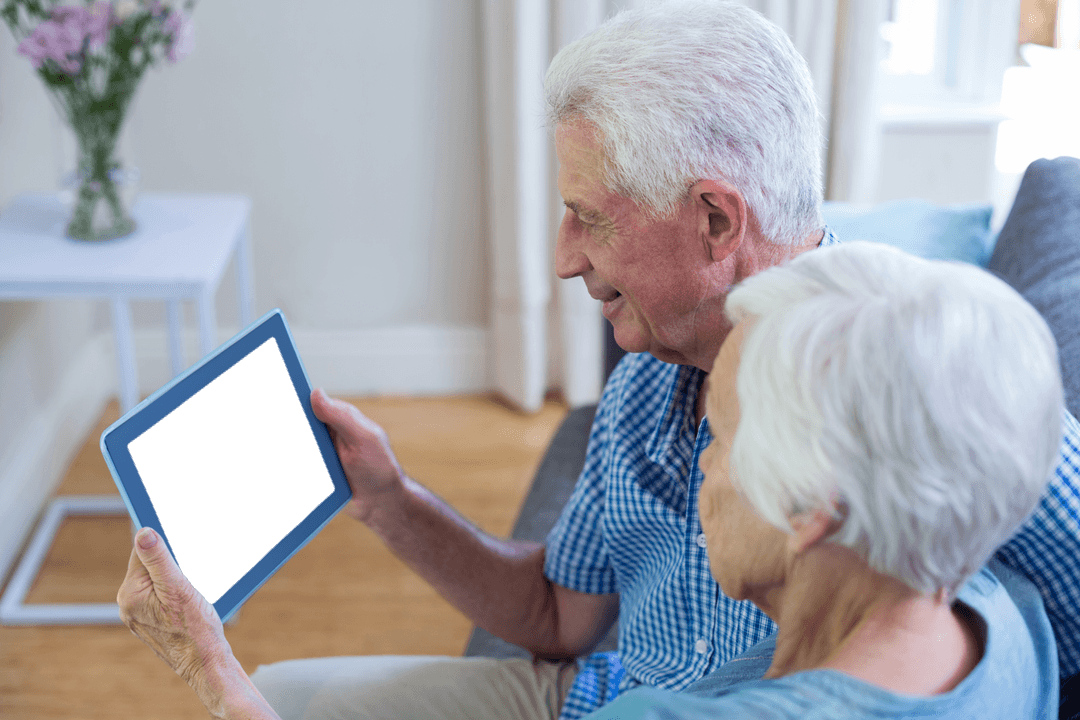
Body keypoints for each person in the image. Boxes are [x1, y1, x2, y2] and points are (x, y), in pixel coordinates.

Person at [117, 1, 1080, 719]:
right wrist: (388, 497)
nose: (564, 257)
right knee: (286, 690)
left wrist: (208, 670)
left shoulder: (930, 378)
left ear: (714, 219)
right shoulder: (649, 368)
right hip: (603, 693)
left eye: (590, 216)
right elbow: (556, 615)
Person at [118, 241, 1064, 719]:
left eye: (723, 444)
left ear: (815, 508)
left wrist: (215, 677)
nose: (701, 471)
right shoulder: (1005, 626)